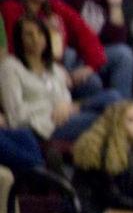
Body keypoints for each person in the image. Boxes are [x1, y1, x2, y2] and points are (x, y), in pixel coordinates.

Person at [3, 0, 127, 113]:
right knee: (93, 83)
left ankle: (123, 113)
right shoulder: (10, 9)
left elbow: (86, 34)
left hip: (61, 72)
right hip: (34, 75)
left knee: (118, 64)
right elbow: (17, 48)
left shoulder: (55, 6)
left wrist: (90, 66)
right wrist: (45, 31)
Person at [1, 14, 84, 147]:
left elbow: (66, 99)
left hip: (64, 119)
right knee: (105, 116)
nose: (36, 39)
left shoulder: (55, 68)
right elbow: (15, 115)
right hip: (39, 126)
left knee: (110, 100)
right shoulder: (10, 67)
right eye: (29, 35)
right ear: (19, 39)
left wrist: (65, 106)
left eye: (40, 33)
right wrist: (53, 106)